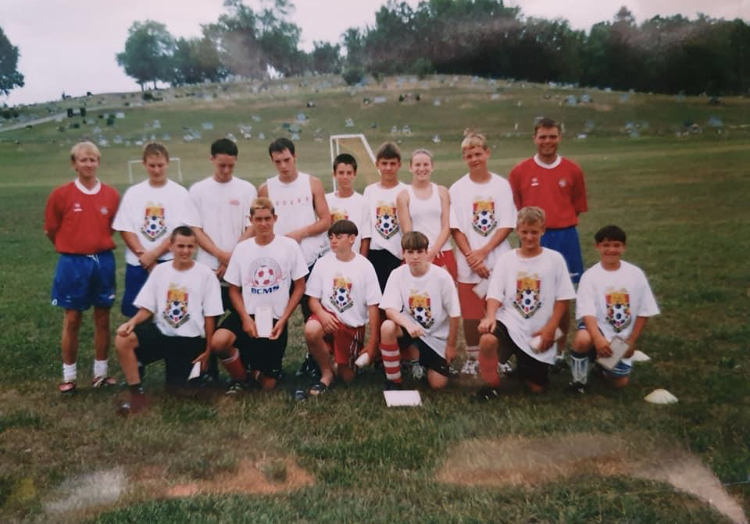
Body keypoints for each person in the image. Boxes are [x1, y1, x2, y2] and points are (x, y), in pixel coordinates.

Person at [114, 226, 223, 415]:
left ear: (196, 247)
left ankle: (198, 375)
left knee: (180, 392)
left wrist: (207, 350)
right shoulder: (160, 271)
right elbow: (148, 307)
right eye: (180, 246)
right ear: (171, 246)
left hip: (190, 340)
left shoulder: (205, 274)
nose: (185, 251)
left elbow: (210, 315)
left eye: (190, 247)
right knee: (123, 339)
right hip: (164, 334)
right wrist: (132, 322)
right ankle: (137, 396)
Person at [476, 207, 575, 399]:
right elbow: (494, 293)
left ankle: (525, 365)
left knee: (537, 388)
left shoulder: (555, 260)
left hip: (538, 329)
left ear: (543, 230)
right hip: (510, 322)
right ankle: (490, 386)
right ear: (517, 231)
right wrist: (490, 317)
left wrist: (551, 328)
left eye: (534, 232)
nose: (529, 237)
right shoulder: (506, 260)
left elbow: (563, 298)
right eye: (525, 232)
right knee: (487, 339)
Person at [44, 141, 120, 393]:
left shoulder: (111, 195)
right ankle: (69, 376)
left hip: (102, 261)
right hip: (72, 262)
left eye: (92, 159)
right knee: (73, 318)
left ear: (98, 162)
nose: (88, 164)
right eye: (83, 160)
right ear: (74, 164)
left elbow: (109, 228)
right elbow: (51, 230)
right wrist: (72, 246)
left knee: (102, 316)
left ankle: (100, 374)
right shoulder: (61, 194)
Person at [508, 117, 588, 355]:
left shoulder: (573, 170)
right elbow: (517, 208)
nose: (547, 141)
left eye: (552, 136)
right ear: (534, 139)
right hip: (533, 239)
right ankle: (527, 346)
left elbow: (576, 206)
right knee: (531, 294)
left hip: (564, 236)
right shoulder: (520, 171)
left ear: (560, 138)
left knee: (562, 297)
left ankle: (559, 351)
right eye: (542, 136)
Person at [211, 197, 308, 392]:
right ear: (251, 220)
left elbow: (299, 286)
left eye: (267, 218)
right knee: (219, 342)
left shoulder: (289, 246)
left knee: (268, 385)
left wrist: (284, 318)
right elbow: (233, 289)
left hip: (274, 319)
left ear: (275, 218)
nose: (263, 224)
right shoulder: (242, 249)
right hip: (248, 317)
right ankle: (242, 378)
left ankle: (258, 372)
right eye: (258, 219)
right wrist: (245, 318)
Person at [258, 138, 331, 378]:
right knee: (275, 313)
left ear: (295, 156)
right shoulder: (266, 189)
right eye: (277, 161)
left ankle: (316, 361)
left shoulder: (312, 183)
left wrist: (300, 233)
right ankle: (272, 364)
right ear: (272, 161)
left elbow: (325, 220)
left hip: (309, 260)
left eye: (287, 160)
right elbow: (260, 223)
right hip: (277, 265)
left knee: (311, 313)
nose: (283, 166)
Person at [449, 131, 516, 376]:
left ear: (487, 153)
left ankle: (498, 356)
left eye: (478, 153)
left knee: (497, 309)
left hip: (497, 259)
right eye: (469, 155)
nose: (474, 159)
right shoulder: (457, 188)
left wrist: (485, 251)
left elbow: (507, 223)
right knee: (470, 313)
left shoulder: (501, 185)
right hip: (468, 262)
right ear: (464, 158)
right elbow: (455, 228)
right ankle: (473, 356)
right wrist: (471, 257)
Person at [567, 225, 660, 392]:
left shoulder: (635, 274)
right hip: (597, 328)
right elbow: (586, 312)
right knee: (582, 339)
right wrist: (597, 338)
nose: (611, 250)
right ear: (597, 247)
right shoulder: (590, 276)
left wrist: (631, 341)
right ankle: (578, 381)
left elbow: (644, 311)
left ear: (624, 247)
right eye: (606, 245)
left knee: (619, 383)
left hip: (621, 336)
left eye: (616, 245)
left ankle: (601, 367)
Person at [299, 220, 382, 397]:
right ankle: (326, 373)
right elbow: (312, 299)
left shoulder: (364, 266)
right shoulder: (323, 263)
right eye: (331, 237)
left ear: (352, 239)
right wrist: (321, 314)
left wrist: (373, 342)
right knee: (311, 330)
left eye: (338, 236)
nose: (333, 240)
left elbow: (374, 306)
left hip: (351, 326)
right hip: (328, 319)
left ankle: (340, 362)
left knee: (347, 378)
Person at [113, 143, 196, 317]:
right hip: (139, 264)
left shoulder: (180, 193)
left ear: (168, 163)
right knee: (136, 315)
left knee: (168, 313)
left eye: (160, 165)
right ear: (143, 164)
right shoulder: (133, 193)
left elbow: (180, 232)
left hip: (169, 262)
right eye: (152, 165)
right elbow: (126, 228)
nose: (156, 170)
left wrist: (154, 255)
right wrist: (144, 256)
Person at [379, 232, 461, 390]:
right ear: (403, 253)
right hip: (412, 330)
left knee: (437, 384)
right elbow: (390, 309)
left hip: (436, 336)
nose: (415, 257)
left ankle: (421, 360)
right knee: (387, 327)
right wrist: (408, 325)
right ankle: (394, 380)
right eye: (410, 252)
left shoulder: (441, 276)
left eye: (419, 252)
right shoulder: (397, 274)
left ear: (426, 252)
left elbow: (454, 314)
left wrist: (451, 346)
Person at [190, 138, 257, 304]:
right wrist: (221, 255)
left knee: (244, 318)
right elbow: (196, 230)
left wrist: (232, 259)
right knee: (209, 318)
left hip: (239, 266)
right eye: (222, 165)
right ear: (211, 159)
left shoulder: (247, 189)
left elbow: (251, 228)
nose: (226, 170)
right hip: (209, 267)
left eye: (231, 165)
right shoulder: (198, 190)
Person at [396, 148, 456, 281]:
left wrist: (433, 251)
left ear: (432, 167)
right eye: (417, 165)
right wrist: (421, 253)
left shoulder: (442, 191)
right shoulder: (404, 195)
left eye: (425, 164)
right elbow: (408, 232)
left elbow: (446, 226)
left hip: (442, 252)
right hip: (417, 255)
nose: (421, 168)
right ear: (410, 167)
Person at [363, 142, 408, 292]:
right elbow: (366, 227)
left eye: (392, 163)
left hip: (398, 253)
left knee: (396, 298)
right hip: (375, 253)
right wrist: (364, 258)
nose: (388, 168)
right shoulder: (370, 191)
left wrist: (407, 255)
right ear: (377, 164)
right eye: (384, 163)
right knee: (377, 298)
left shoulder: (406, 190)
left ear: (399, 164)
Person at [325, 153, 369, 255]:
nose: (345, 177)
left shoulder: (363, 202)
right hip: (330, 257)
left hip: (353, 258)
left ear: (355, 173)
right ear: (334, 174)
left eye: (349, 173)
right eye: (341, 173)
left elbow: (365, 238)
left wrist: (361, 261)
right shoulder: (326, 200)